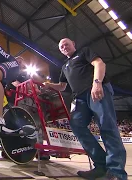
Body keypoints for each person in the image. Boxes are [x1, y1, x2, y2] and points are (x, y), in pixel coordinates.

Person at [43, 38, 127, 180]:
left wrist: (97, 83)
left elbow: (99, 63)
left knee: (107, 126)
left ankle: (116, 172)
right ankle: (101, 166)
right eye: (61, 46)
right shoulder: (65, 66)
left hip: (96, 90)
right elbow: (63, 86)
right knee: (76, 125)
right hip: (79, 98)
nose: (64, 47)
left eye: (66, 44)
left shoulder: (84, 52)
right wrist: (49, 85)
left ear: (74, 44)